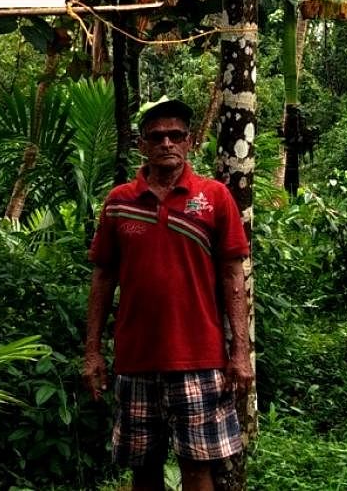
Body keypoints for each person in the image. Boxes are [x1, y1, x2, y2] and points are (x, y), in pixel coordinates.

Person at [83, 98, 251, 491]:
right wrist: (93, 351)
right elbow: (103, 278)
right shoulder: (119, 202)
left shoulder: (214, 197)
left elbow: (232, 275)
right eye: (157, 137)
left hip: (200, 358)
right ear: (143, 145)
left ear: (189, 142)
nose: (167, 143)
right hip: (135, 360)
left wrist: (240, 352)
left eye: (175, 135)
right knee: (143, 469)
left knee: (197, 467)